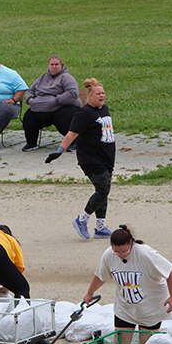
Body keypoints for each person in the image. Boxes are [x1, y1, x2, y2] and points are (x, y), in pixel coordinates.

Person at [82, 225, 172, 344]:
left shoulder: (144, 253)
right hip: (125, 308)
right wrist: (90, 293)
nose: (121, 256)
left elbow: (170, 270)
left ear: (131, 243)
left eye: (124, 252)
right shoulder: (109, 255)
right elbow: (101, 276)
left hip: (150, 308)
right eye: (117, 252)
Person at [47, 77, 115, 240]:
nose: (102, 96)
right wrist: (60, 150)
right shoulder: (84, 114)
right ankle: (82, 220)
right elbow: (72, 133)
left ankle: (100, 227)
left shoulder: (104, 109)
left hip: (106, 158)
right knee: (103, 189)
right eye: (98, 93)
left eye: (103, 93)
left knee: (103, 191)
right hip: (90, 159)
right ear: (90, 96)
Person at [21, 55, 80, 153]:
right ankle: (31, 143)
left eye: (56, 64)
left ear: (61, 65)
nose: (54, 67)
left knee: (63, 118)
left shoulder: (66, 77)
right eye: (52, 64)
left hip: (60, 107)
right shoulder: (42, 77)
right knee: (29, 116)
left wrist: (56, 100)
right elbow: (31, 90)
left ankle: (74, 141)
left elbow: (73, 93)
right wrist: (30, 100)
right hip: (40, 108)